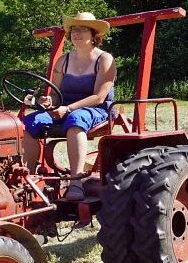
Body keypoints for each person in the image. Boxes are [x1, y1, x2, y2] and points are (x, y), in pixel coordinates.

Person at [22, 12, 117, 200]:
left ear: (94, 35)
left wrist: (68, 109)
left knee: (76, 119)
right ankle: (29, 179)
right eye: (73, 30)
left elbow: (98, 97)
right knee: (28, 122)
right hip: (65, 108)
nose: (76, 34)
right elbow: (55, 96)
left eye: (82, 30)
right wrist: (48, 102)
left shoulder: (104, 60)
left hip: (96, 109)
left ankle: (76, 182)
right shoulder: (63, 60)